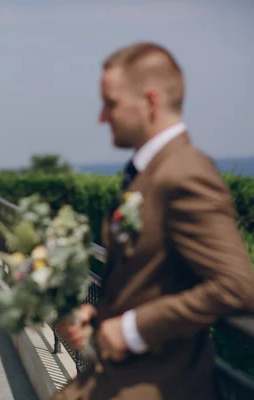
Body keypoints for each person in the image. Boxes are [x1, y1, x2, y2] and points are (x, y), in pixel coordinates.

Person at [54, 42, 254, 400]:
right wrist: (98, 315)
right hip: (116, 376)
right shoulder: (151, 172)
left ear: (150, 102)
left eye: (111, 103)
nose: (102, 117)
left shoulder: (186, 172)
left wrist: (132, 329)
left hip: (159, 382)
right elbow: (151, 278)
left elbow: (237, 284)